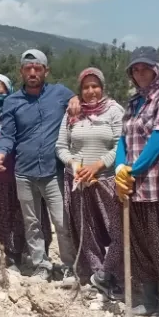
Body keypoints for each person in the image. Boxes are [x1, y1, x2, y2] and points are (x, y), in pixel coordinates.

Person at [0, 49, 77, 281]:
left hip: (53, 171)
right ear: (21, 71)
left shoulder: (60, 93)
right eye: (28, 69)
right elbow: (8, 134)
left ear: (45, 71)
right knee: (32, 223)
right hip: (24, 172)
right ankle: (42, 264)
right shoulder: (12, 101)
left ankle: (71, 266)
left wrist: (75, 99)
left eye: (37, 68)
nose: (32, 72)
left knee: (61, 221)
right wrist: (0, 153)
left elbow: (77, 101)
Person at [114, 46, 159, 317]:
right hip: (131, 186)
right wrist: (120, 167)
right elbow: (122, 139)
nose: (140, 73)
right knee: (140, 245)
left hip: (156, 185)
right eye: (135, 69)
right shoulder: (134, 103)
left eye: (145, 67)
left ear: (157, 69)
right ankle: (150, 300)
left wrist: (133, 170)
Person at [56, 67, 124, 291]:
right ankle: (98, 277)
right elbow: (61, 147)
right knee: (88, 233)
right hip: (78, 182)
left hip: (107, 180)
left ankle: (112, 274)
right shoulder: (72, 114)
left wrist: (97, 165)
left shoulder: (114, 111)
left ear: (102, 88)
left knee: (118, 232)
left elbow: (119, 146)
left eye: (95, 86)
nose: (91, 91)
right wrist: (75, 165)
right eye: (85, 87)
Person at [0, 74, 52, 270]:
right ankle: (11, 256)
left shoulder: (19, 111)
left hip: (22, 173)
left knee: (29, 217)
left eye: (0, 93)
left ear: (9, 92)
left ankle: (37, 257)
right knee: (2, 220)